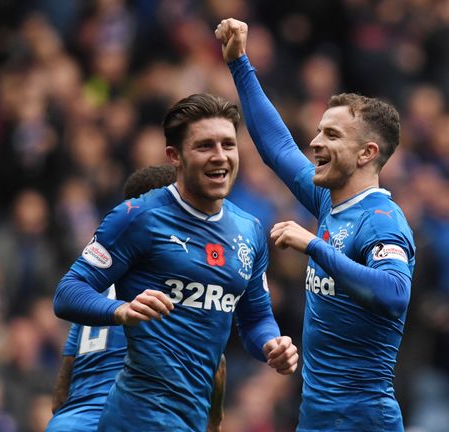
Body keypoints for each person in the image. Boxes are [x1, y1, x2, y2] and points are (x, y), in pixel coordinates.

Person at [53, 94, 299, 431]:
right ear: (175, 156)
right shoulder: (137, 216)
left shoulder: (251, 230)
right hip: (137, 415)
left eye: (228, 144)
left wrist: (272, 345)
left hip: (190, 419)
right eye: (205, 146)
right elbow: (67, 292)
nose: (220, 156)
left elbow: (256, 318)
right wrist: (120, 311)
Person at [217, 18, 416, 432]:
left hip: (365, 421)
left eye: (331, 135)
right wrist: (239, 63)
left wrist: (315, 247)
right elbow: (276, 147)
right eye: (319, 131)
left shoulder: (382, 222)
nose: (315, 142)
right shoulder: (330, 202)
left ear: (366, 153)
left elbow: (395, 294)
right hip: (315, 417)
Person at [47, 164, 228, 432]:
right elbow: (215, 366)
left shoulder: (92, 292)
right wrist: (214, 423)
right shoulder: (180, 284)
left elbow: (62, 387)